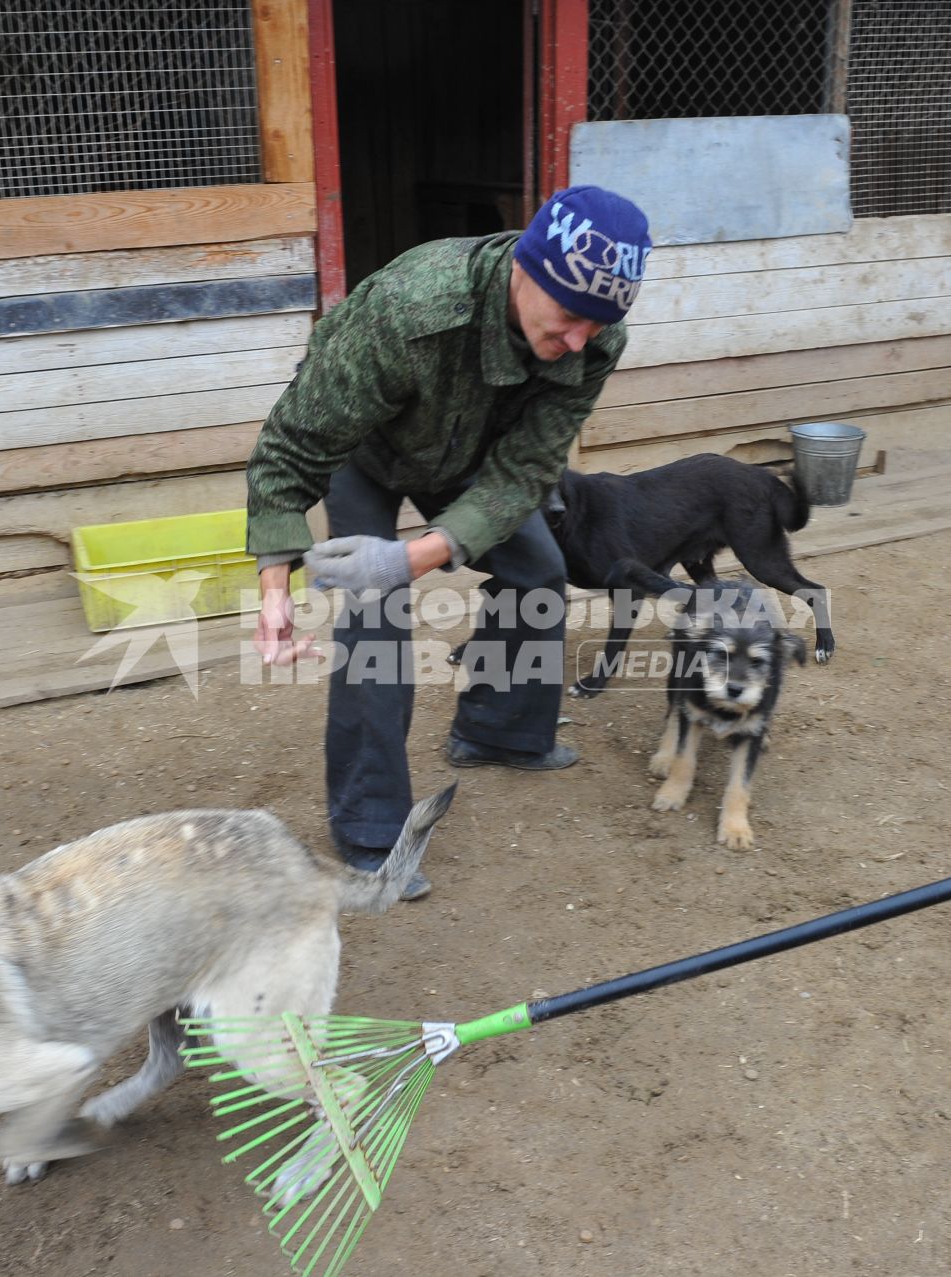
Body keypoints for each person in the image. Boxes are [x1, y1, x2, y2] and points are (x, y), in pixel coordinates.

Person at [244, 186, 653, 900]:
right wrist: (274, 589)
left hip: (470, 457)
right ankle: (372, 831)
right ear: (526, 269)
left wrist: (411, 555)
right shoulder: (409, 309)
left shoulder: (594, 338)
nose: (581, 340)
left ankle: (499, 730)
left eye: (598, 323)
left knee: (537, 570)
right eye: (568, 317)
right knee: (375, 620)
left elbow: (525, 469)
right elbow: (289, 450)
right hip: (366, 450)